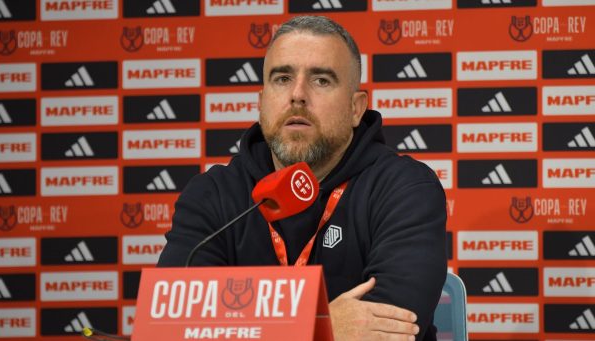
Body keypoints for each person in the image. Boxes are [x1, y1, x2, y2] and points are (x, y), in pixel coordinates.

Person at [158, 15, 447, 341]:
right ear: (261, 101)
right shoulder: (212, 194)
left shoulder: (405, 189)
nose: (297, 94)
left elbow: (392, 327)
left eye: (321, 80)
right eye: (282, 78)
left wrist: (244, 324)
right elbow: (175, 325)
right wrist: (317, 326)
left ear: (356, 108)